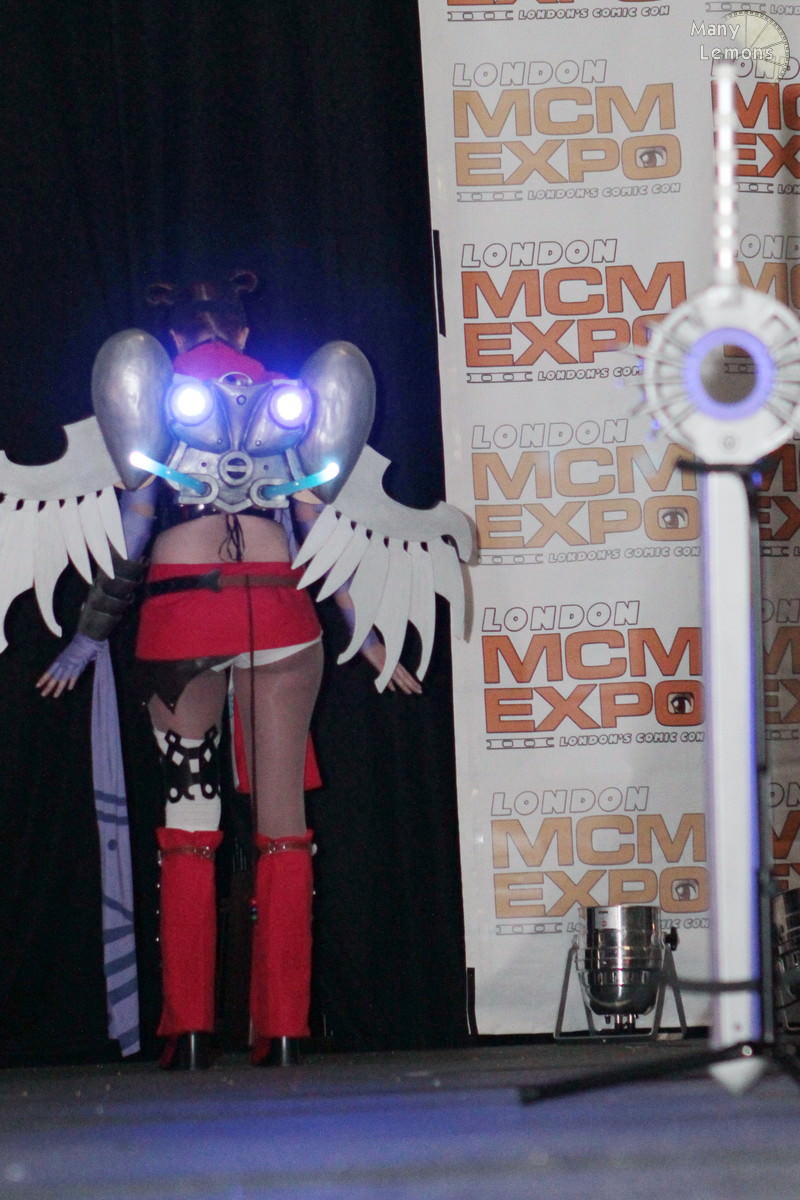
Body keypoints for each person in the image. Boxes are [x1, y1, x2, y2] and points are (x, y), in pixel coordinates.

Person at [36, 272, 420, 1069]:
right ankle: (283, 1028)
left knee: (190, 821)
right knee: (284, 826)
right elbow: (315, 531)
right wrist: (368, 639)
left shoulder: (155, 401)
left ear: (174, 336)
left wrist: (87, 634)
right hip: (281, 614)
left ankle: (189, 1029)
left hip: (184, 617)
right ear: (244, 333)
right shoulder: (288, 402)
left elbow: (134, 531)